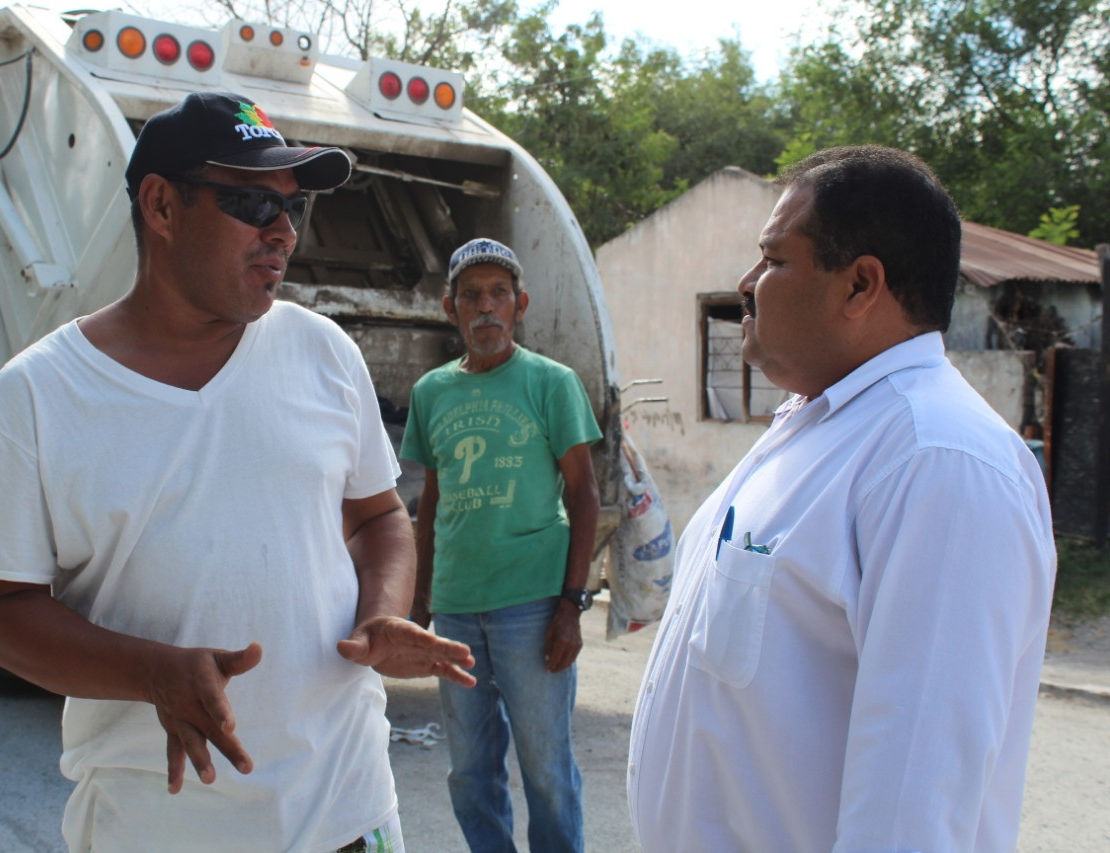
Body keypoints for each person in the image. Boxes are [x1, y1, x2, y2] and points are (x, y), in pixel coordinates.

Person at [0, 91, 475, 853]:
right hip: (156, 827)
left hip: (349, 811)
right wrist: (150, 670)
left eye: (293, 210)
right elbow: (1, 612)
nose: (282, 232)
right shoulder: (38, 395)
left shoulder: (323, 353)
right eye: (251, 202)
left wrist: (380, 610)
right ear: (161, 206)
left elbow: (380, 516)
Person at [627, 145, 1057, 851]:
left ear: (860, 285)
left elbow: (911, 809)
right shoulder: (819, 426)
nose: (746, 282)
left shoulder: (937, 462)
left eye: (773, 259)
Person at [400, 238, 602, 852]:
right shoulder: (432, 392)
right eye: (471, 296)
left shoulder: (551, 382)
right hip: (458, 607)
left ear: (521, 305)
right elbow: (429, 503)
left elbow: (584, 494)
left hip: (533, 606)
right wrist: (420, 597)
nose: (485, 307)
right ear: (449, 309)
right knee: (469, 771)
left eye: (498, 294)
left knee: (546, 768)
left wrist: (571, 603)